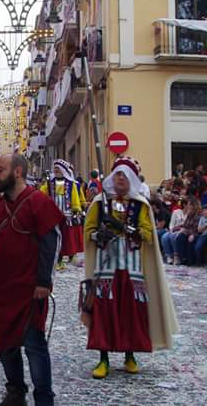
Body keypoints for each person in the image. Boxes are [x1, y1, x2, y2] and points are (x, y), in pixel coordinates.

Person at [0, 154, 62, 406]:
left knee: (34, 344)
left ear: (17, 172)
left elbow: (50, 244)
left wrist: (43, 281)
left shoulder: (38, 202)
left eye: (0, 170)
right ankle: (16, 392)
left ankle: (44, 399)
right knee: (6, 344)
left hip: (30, 289)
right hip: (2, 291)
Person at [81, 157, 178, 379]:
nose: (120, 179)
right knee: (104, 311)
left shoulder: (139, 204)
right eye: (117, 174)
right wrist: (99, 234)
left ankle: (130, 355)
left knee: (132, 311)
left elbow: (147, 233)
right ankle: (103, 358)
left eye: (124, 175)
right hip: (106, 266)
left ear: (132, 179)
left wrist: (126, 229)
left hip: (132, 266)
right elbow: (88, 230)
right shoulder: (100, 202)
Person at [42, 159, 82, 269]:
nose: (56, 170)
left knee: (68, 237)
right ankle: (58, 259)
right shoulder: (49, 183)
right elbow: (42, 194)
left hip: (67, 214)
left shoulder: (71, 183)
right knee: (55, 237)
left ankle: (71, 255)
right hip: (53, 215)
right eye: (54, 168)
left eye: (58, 169)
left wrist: (76, 209)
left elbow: (74, 196)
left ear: (63, 170)